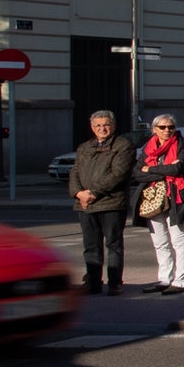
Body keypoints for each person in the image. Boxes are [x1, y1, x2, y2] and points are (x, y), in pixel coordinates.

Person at [68, 110, 138, 295]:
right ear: (92, 127)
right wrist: (78, 193)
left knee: (113, 245)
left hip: (111, 203)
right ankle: (93, 282)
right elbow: (75, 172)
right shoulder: (85, 147)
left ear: (113, 126)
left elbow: (118, 174)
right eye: (98, 125)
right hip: (85, 204)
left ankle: (115, 283)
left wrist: (92, 193)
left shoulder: (123, 146)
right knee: (91, 246)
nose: (102, 129)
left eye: (106, 125)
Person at [134, 115, 184, 295]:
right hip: (153, 198)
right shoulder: (149, 147)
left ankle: (181, 281)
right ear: (154, 129)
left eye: (171, 127)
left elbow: (178, 169)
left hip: (176, 196)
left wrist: (150, 169)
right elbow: (137, 173)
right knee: (160, 242)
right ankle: (164, 278)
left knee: (179, 240)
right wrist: (164, 171)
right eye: (162, 127)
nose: (167, 130)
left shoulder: (183, 145)